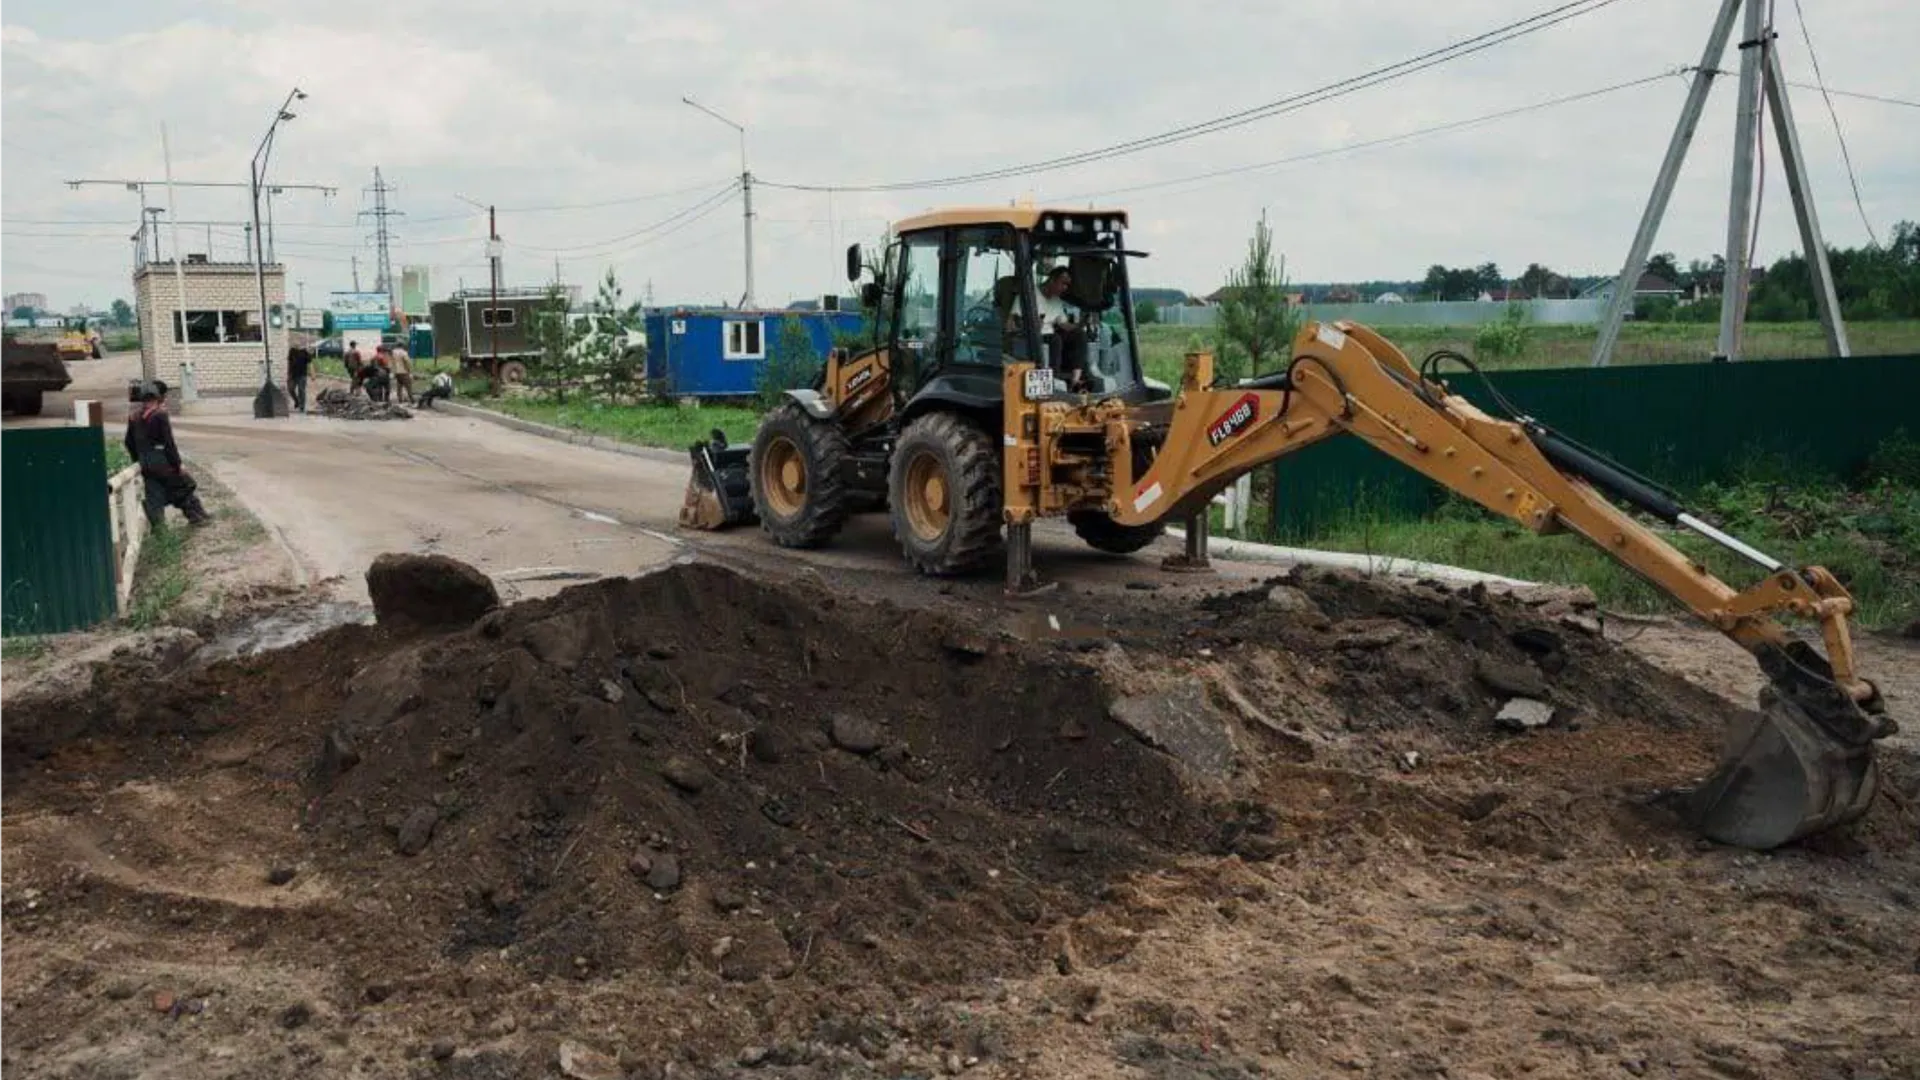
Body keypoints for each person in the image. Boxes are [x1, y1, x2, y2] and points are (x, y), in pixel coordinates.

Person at [123, 381, 210, 528]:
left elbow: (128, 442)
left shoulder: (134, 417)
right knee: (184, 486)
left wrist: (138, 460)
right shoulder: (160, 415)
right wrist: (177, 464)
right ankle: (196, 517)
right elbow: (169, 443)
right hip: (164, 463)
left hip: (146, 465)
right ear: (158, 398)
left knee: (155, 496)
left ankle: (161, 531)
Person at [1035, 266, 1090, 390]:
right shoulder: (1031, 295)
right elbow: (1013, 323)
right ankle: (1053, 380)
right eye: (1063, 283)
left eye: (1067, 285)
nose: (1065, 288)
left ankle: (1076, 380)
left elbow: (1064, 325)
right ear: (1052, 280)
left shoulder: (1056, 301)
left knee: (1079, 334)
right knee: (1055, 339)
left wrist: (1080, 324)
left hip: (1050, 335)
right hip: (1033, 337)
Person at [286, 340, 313, 413]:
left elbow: (310, 363)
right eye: (295, 344)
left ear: (301, 345)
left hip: (302, 375)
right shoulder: (292, 351)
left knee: (301, 390)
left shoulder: (305, 352)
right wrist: (288, 374)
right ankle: (297, 401)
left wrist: (312, 373)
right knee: (290, 389)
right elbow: (289, 362)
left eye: (298, 344)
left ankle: (302, 407)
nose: (296, 345)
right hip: (293, 374)